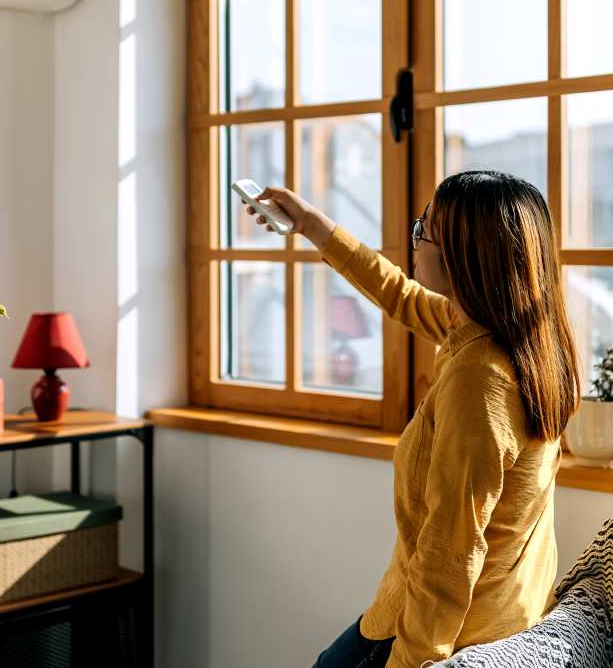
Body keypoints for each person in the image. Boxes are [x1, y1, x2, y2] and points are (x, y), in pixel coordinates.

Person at [248, 170, 580, 668]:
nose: (415, 238)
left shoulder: (479, 379)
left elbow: (451, 551)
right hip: (503, 614)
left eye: (424, 229)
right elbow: (399, 295)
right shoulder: (517, 341)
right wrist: (313, 225)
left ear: (462, 257)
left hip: (445, 634)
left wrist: (414, 660)